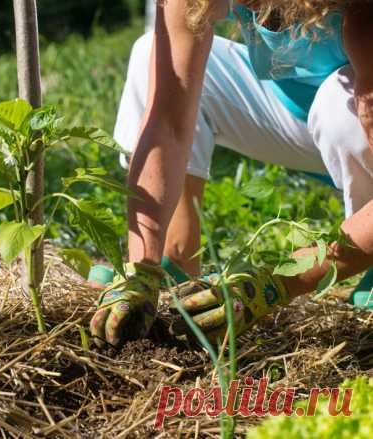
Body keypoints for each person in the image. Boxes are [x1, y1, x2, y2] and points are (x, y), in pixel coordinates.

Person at [89, 0, 373, 348]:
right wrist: (141, 267)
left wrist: (273, 284)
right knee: (154, 52)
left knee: (337, 105)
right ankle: (176, 258)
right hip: (294, 112)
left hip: (351, 117)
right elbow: (168, 119)